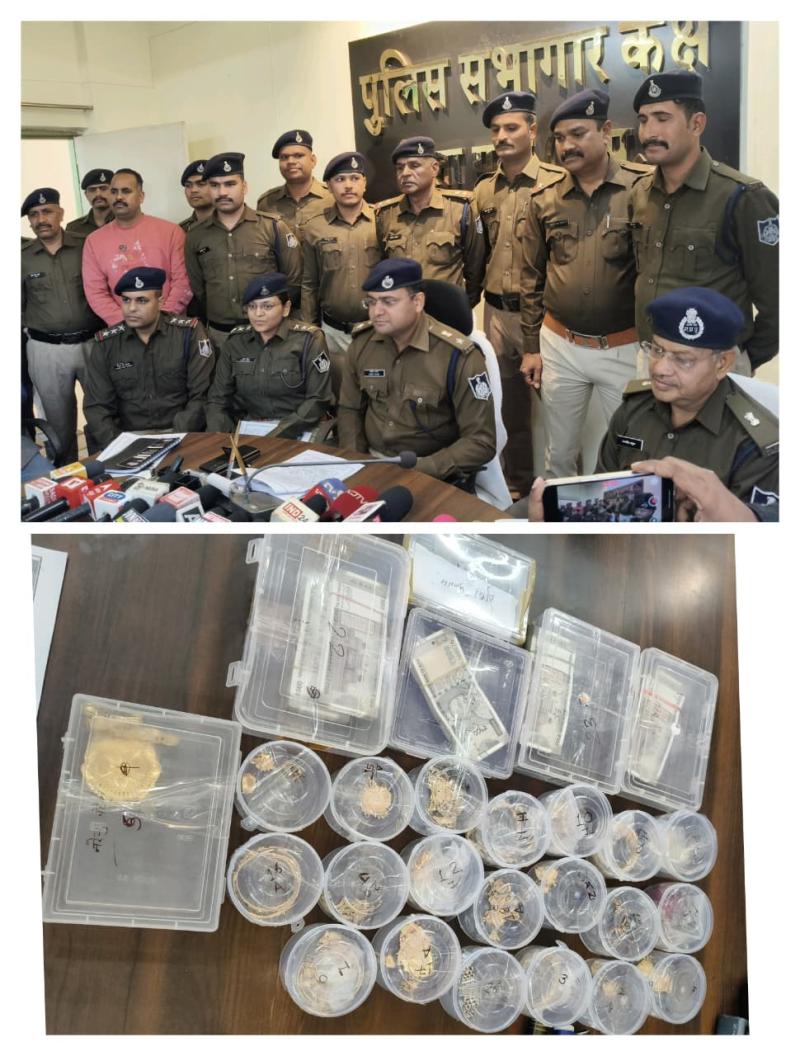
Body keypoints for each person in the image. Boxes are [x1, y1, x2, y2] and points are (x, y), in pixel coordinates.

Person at [519, 287, 778, 522]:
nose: (661, 368)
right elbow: (602, 503)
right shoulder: (633, 411)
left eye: (683, 359)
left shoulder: (754, 445)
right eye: (657, 350)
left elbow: (758, 541)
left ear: (722, 363)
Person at [519, 88, 651, 477]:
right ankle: (560, 512)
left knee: (629, 455)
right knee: (558, 453)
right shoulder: (544, 199)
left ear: (606, 131)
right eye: (560, 138)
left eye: (577, 134)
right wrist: (531, 347)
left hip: (624, 349)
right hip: (560, 347)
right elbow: (531, 278)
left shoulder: (642, 190)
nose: (566, 146)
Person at [631, 68, 779, 372]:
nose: (649, 132)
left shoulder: (743, 197)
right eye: (643, 120)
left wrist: (742, 359)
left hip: (711, 367)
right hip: (650, 357)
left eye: (662, 118)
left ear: (696, 123)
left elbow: (780, 300)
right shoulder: (641, 194)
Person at [474, 89, 563, 496]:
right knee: (508, 410)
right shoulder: (483, 192)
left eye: (511, 127)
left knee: (558, 410)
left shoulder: (557, 183)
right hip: (495, 315)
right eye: (495, 130)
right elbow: (478, 255)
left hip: (544, 316)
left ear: (532, 130)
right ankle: (518, 488)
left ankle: (562, 490)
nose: (501, 137)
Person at [337, 259, 496, 484]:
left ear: (418, 302)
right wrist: (356, 465)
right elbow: (350, 409)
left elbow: (481, 442)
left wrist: (423, 469)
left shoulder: (459, 357)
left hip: (431, 472)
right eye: (371, 302)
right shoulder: (362, 344)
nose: (376, 312)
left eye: (388, 302)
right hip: (371, 463)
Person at [82, 266, 213, 449]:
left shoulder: (189, 333)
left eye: (142, 300)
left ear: (160, 301)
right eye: (126, 300)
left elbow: (202, 395)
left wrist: (174, 440)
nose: (132, 308)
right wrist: (119, 447)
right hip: (127, 438)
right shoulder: (107, 343)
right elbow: (97, 407)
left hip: (181, 433)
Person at [184, 152, 302, 349]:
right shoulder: (195, 235)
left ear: (244, 187)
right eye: (214, 185)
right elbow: (199, 289)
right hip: (220, 336)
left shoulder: (272, 227)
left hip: (267, 332)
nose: (222, 192)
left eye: (230, 184)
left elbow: (293, 281)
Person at [21, 187, 103, 464]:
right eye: (34, 215)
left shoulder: (86, 245)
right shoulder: (21, 256)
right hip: (46, 349)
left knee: (102, 412)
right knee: (58, 424)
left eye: (47, 212)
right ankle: (66, 475)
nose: (41, 219)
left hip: (92, 343)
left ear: (61, 213)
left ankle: (105, 466)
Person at [206, 273, 333, 435]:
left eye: (267, 306)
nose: (258, 314)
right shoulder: (235, 342)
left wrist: (277, 434)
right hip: (251, 428)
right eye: (252, 307)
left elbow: (318, 400)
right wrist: (219, 436)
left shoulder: (309, 339)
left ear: (286, 308)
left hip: (299, 428)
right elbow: (217, 400)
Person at [299, 151, 380, 395]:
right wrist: (310, 331)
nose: (348, 185)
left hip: (376, 329)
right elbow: (309, 283)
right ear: (329, 186)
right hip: (333, 332)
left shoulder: (382, 221)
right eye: (340, 179)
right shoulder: (314, 227)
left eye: (355, 178)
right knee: (341, 397)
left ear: (364, 183)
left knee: (378, 395)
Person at [374, 136, 485, 307]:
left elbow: (476, 267)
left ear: (434, 168)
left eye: (414, 165)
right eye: (400, 168)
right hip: (403, 314)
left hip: (446, 312)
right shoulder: (385, 215)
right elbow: (382, 265)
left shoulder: (460, 209)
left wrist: (463, 307)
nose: (405, 173)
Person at [81, 168, 192, 326]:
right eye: (113, 192)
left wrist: (162, 321)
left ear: (141, 196)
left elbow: (183, 283)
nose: (119, 197)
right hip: (123, 330)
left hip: (169, 327)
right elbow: (95, 292)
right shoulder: (94, 241)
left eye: (126, 191)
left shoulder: (172, 232)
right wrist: (126, 324)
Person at [257, 130, 333, 237]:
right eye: (284, 157)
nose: (291, 161)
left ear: (313, 160)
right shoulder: (266, 203)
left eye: (298, 155)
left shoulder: (332, 198)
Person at [65, 168, 114, 239]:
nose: (98, 194)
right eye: (92, 190)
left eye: (103, 189)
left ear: (114, 192)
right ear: (86, 195)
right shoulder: (73, 228)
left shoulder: (125, 222)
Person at [178, 160, 214, 232]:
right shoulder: (182, 230)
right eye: (188, 185)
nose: (193, 190)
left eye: (201, 184)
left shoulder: (231, 224)